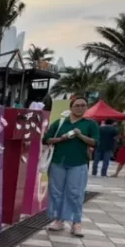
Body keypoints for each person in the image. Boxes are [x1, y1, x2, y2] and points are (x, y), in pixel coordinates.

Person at [43, 96, 99, 237]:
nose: (80, 108)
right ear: (71, 107)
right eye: (77, 105)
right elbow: (47, 139)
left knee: (75, 193)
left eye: (83, 105)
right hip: (58, 161)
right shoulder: (60, 123)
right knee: (56, 192)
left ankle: (76, 222)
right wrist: (62, 138)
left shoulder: (90, 124)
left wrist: (81, 136)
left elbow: (94, 142)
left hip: (78, 163)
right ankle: (59, 220)